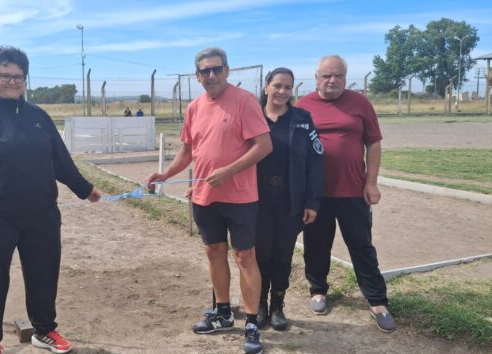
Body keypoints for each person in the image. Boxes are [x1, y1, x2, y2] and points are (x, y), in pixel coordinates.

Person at [0, 46, 102, 354]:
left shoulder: (38, 117)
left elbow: (60, 160)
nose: (12, 81)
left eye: (18, 76)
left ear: (25, 79)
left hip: (40, 214)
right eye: (5, 75)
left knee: (44, 275)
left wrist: (85, 188)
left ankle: (45, 331)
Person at [146, 47, 272, 354]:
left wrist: (229, 171)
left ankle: (252, 322)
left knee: (245, 257)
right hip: (204, 196)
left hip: (240, 197)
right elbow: (188, 150)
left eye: (217, 69)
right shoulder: (194, 107)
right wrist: (165, 174)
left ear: (227, 70)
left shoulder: (244, 101)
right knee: (214, 252)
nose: (211, 75)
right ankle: (223, 313)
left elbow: (264, 146)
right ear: (197, 76)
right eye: (205, 71)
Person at [296, 55, 396, 333]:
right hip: (316, 194)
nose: (333, 80)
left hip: (353, 190)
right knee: (316, 245)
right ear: (316, 79)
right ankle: (318, 290)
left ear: (345, 77)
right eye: (327, 75)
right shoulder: (303, 106)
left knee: (361, 246)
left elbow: (373, 144)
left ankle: (377, 301)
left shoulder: (360, 103)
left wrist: (371, 182)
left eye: (338, 75)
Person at [254, 68, 324, 331]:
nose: (282, 91)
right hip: (257, 200)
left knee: (283, 255)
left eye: (287, 87)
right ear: (266, 87)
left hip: (290, 201)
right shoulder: (253, 116)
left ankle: (277, 306)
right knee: (260, 254)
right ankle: (259, 304)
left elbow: (316, 163)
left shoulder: (302, 119)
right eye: (277, 85)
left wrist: (312, 201)